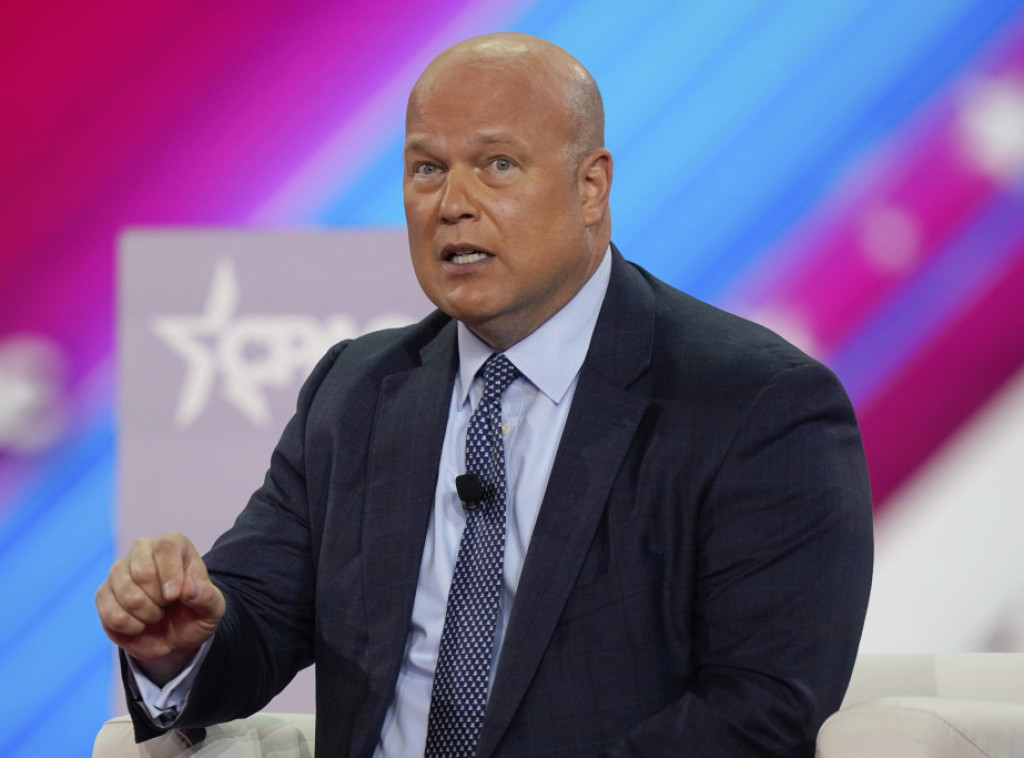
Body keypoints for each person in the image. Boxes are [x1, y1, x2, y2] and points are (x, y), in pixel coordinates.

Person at [96, 32, 873, 757]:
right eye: (426, 169)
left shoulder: (754, 405)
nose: (453, 203)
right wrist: (180, 648)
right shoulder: (356, 392)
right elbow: (257, 617)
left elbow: (763, 706)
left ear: (591, 186)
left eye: (497, 164)